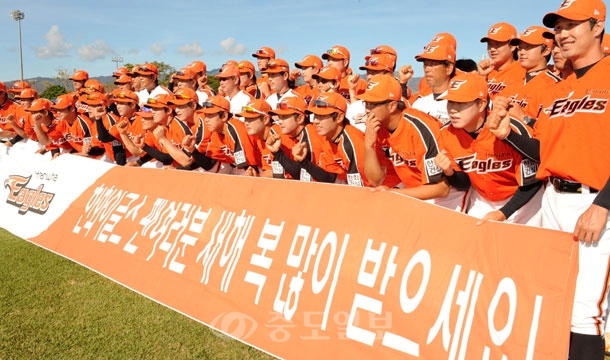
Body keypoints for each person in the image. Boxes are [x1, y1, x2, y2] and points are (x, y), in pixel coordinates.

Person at [486, 1, 610, 357]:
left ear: (597, 26)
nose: (563, 34)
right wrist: (509, 134)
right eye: (558, 27)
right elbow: (550, 156)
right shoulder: (560, 87)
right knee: (549, 298)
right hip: (553, 199)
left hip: (594, 201)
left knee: (584, 313)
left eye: (572, 25)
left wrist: (602, 205)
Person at [434, 72, 543, 225]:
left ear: (481, 104)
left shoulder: (508, 126)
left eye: (460, 103)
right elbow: (464, 184)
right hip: (483, 199)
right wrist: (450, 173)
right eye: (450, 102)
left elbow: (533, 180)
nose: (452, 110)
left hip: (523, 200)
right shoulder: (446, 133)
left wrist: (503, 213)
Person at [361, 74, 464, 209]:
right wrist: (369, 145)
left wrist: (394, 193)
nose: (367, 110)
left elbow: (441, 188)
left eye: (372, 104)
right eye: (366, 103)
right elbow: (374, 180)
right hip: (413, 188)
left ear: (392, 106)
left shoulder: (419, 128)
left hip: (447, 195)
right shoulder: (376, 128)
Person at [294, 91, 398, 187]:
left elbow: (364, 185)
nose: (316, 121)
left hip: (391, 188)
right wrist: (304, 162)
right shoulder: (329, 139)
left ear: (339, 117)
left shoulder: (351, 142)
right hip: (371, 187)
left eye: (322, 116)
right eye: (315, 115)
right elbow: (329, 177)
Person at [182, 95, 260, 174]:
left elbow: (251, 167)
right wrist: (192, 150)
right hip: (243, 167)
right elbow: (208, 165)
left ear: (224, 116)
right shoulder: (216, 134)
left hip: (261, 168)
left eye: (210, 115)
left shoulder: (235, 129)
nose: (206, 120)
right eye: (205, 115)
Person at [506, 26, 561, 121]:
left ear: (546, 50)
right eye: (520, 47)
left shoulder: (555, 86)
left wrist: (524, 118)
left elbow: (550, 130)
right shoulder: (512, 82)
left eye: (528, 47)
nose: (522, 52)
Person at [346, 53, 397, 132]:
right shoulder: (355, 106)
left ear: (388, 75)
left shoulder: (399, 103)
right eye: (368, 72)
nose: (369, 77)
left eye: (374, 72)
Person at [411, 40, 457, 125]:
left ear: (449, 68)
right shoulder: (418, 104)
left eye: (432, 64)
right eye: (425, 64)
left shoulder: (460, 105)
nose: (427, 69)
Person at [478, 22, 525, 99]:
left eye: (498, 44)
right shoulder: (485, 71)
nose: (492, 49)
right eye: (490, 44)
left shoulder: (524, 71)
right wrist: (482, 77)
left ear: (513, 46)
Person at [235, 98, 276, 177]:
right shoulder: (260, 138)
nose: (246, 123)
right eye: (245, 119)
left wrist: (257, 176)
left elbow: (285, 173)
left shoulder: (277, 135)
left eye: (251, 119)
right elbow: (270, 170)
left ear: (265, 120)